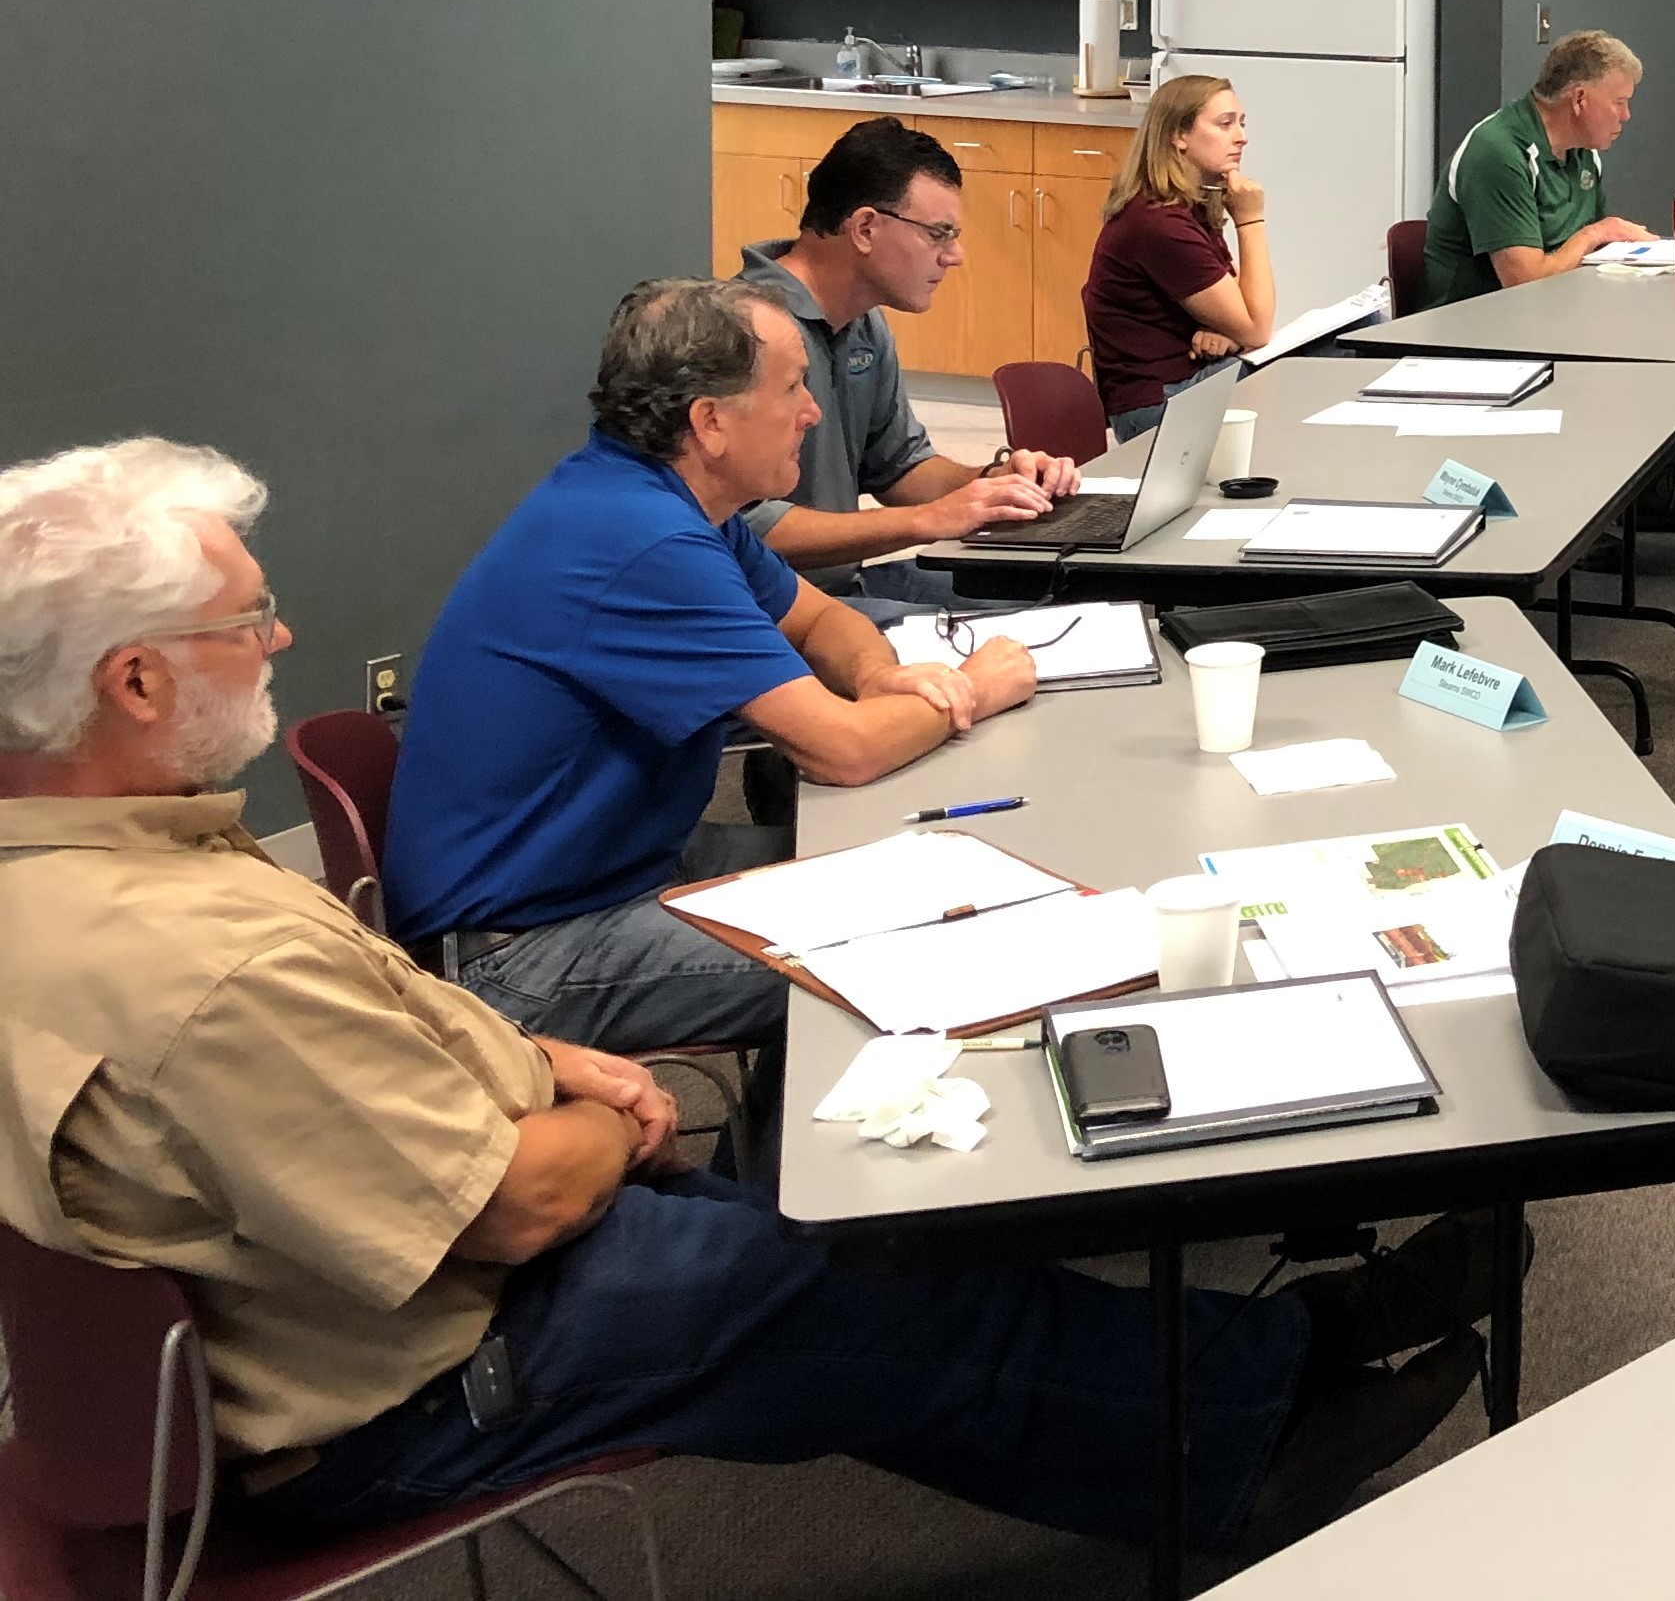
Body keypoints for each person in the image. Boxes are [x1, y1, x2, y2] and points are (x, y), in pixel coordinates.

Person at [0, 437, 1501, 1560]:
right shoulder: (202, 962)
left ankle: (1267, 1363)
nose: (277, 643)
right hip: (404, 1393)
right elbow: (515, 1209)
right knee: (854, 1276)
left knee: (856, 1235)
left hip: (360, 1278)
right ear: (132, 683)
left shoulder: (85, 873)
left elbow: (369, 1035)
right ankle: (1245, 1435)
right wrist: (620, 1108)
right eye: (247, 621)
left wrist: (536, 1064)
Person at [387, 279, 1044, 1053]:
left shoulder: (666, 498)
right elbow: (844, 749)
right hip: (521, 952)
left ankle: (761, 1154)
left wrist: (876, 676)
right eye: (794, 387)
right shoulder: (646, 541)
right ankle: (769, 1177)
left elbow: (820, 616)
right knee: (907, 949)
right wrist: (975, 686)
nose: (813, 411)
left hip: (609, 866)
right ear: (711, 422)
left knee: (938, 882)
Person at [735, 116, 1084, 619]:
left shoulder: (863, 325)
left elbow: (899, 467)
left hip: (845, 584)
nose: (955, 255)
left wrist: (994, 481)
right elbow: (746, 527)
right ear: (865, 228)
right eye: (939, 234)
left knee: (1064, 593)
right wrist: (928, 520)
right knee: (1024, 640)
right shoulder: (748, 331)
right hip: (777, 610)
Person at [1426, 31, 1675, 534]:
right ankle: (1578, 518)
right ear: (1579, 99)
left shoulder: (1582, 154)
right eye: (1620, 102)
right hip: (1481, 326)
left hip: (1555, 313)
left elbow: (1585, 255)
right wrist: (1597, 232)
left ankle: (1652, 487)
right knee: (1626, 365)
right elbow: (1522, 280)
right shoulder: (1498, 152)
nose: (1626, 116)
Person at [1083, 73, 1277, 442]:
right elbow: (1257, 328)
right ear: (1179, 136)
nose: (1241, 137)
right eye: (1224, 124)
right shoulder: (1158, 224)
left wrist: (1227, 331)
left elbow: (1242, 316)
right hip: (1157, 406)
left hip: (1191, 378)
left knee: (1347, 338)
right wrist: (1251, 220)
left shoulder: (1188, 207)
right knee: (1334, 349)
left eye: (1241, 123)